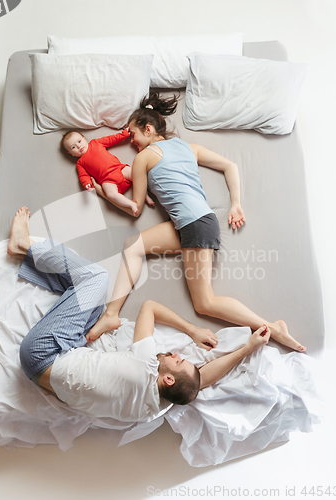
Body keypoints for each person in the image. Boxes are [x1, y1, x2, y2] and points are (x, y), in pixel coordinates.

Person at [87, 92, 306, 353]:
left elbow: (134, 208)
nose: (131, 141)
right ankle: (112, 314)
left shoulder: (143, 158)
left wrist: (100, 189)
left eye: (133, 134)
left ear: (148, 129)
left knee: (205, 303)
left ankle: (272, 326)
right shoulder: (188, 147)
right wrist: (236, 203)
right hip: (192, 222)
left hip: (195, 225)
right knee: (133, 245)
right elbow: (230, 166)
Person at [8, 206, 272, 422]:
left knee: (97, 279)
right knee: (93, 304)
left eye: (179, 361)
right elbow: (199, 382)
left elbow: (149, 307)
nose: (179, 355)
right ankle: (36, 266)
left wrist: (192, 330)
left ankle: (22, 245)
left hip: (42, 353)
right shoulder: (152, 409)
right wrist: (247, 348)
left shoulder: (145, 366)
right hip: (46, 371)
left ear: (167, 378)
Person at [61, 128, 154, 215]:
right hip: (107, 180)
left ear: (84, 138)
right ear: (71, 154)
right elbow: (83, 176)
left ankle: (145, 195)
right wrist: (87, 184)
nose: (78, 146)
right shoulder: (80, 163)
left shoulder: (95, 143)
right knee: (110, 194)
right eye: (73, 147)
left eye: (79, 141)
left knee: (137, 174)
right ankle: (131, 204)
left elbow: (111, 139)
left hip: (119, 169)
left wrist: (124, 134)